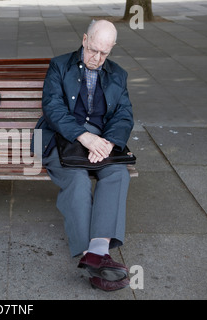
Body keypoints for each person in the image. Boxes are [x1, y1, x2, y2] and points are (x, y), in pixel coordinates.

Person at [34, 20, 134, 291]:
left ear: (111, 49)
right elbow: (52, 108)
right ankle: (99, 262)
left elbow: (123, 115)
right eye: (92, 50)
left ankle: (96, 253)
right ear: (84, 39)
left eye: (104, 53)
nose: (97, 58)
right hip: (61, 139)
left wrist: (108, 143)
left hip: (100, 141)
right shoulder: (59, 65)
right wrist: (83, 136)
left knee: (117, 174)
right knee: (77, 179)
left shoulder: (118, 74)